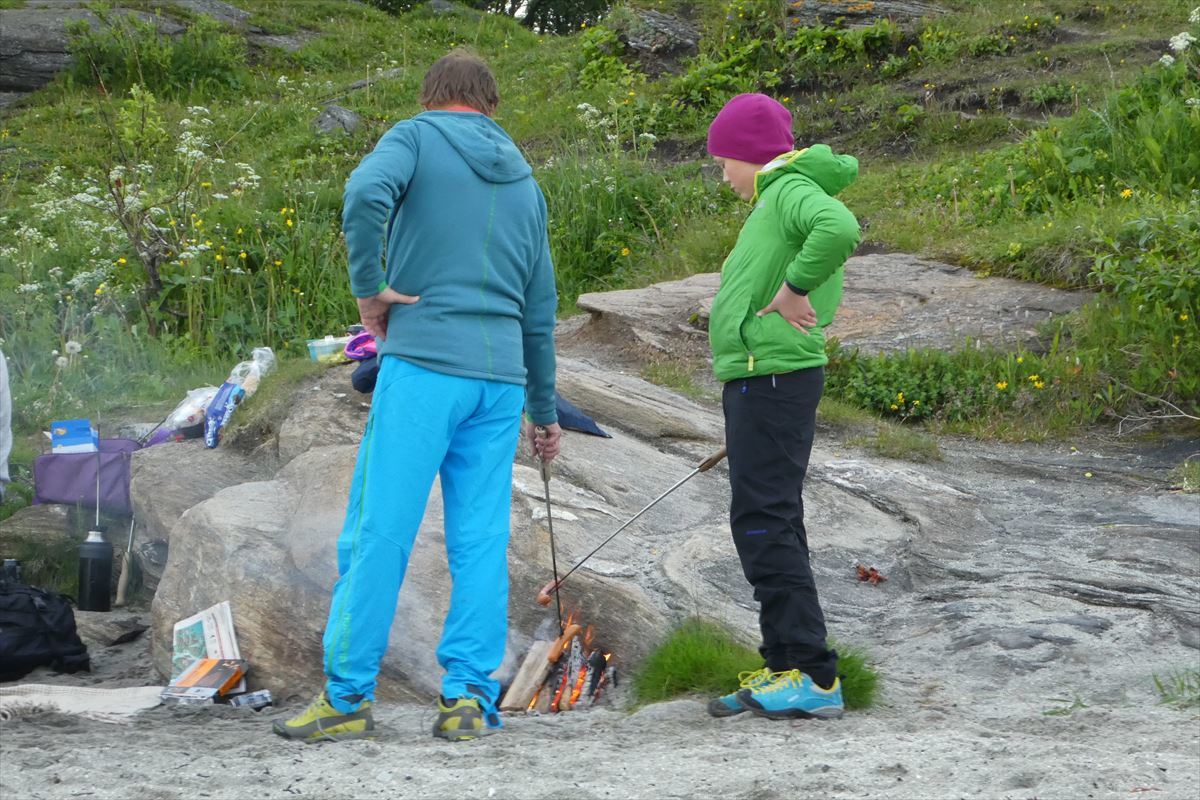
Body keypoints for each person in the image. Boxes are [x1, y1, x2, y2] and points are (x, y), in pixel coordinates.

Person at [275, 51, 561, 744]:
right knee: (480, 542)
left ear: (433, 97)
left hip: (426, 366)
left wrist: (369, 287)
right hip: (498, 384)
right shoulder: (524, 178)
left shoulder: (414, 136)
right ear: (490, 105)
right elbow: (540, 307)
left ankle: (345, 699)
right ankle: (468, 698)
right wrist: (545, 413)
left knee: (380, 534)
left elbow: (363, 195)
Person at [701, 93, 860, 721]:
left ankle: (814, 678)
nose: (723, 174)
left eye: (724, 161)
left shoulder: (786, 186)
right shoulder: (777, 194)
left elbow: (840, 229)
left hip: (772, 380)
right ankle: (785, 666)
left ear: (749, 153)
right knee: (769, 519)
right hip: (762, 381)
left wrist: (793, 291)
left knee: (764, 522)